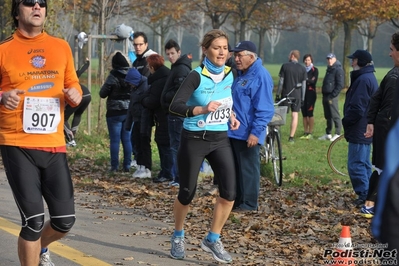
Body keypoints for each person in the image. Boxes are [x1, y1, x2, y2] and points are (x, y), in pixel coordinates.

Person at [0, 0, 83, 265]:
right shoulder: (3, 49)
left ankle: (41, 249)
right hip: (17, 143)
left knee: (64, 221)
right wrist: (2, 97)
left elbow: (73, 84)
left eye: (42, 3)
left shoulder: (61, 47)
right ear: (16, 11)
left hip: (53, 143)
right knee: (33, 221)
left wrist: (75, 94)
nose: (37, 7)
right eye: (28, 2)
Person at [168, 29, 240, 264]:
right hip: (194, 139)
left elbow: (225, 99)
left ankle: (212, 238)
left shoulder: (230, 73)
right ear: (206, 50)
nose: (222, 52)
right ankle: (178, 235)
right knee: (187, 193)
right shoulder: (195, 76)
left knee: (229, 193)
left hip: (219, 139)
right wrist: (200, 109)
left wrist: (230, 114)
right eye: (217, 47)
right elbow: (175, 105)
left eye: (225, 48)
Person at [228, 41, 274, 212]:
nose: (236, 58)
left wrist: (256, 132)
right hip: (234, 131)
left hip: (248, 132)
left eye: (240, 55)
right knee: (238, 169)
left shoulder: (260, 76)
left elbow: (264, 108)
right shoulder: (241, 74)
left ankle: (249, 203)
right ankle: (239, 201)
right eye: (235, 55)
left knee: (248, 169)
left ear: (251, 56)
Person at [362, 33, 399, 214]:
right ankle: (372, 203)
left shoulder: (393, 76)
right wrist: (372, 122)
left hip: (386, 131)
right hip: (387, 131)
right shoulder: (393, 77)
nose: (390, 54)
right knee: (383, 166)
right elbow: (383, 106)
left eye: (392, 50)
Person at [342, 50, 378, 210]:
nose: (352, 62)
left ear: (361, 62)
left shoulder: (363, 80)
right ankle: (371, 195)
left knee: (356, 164)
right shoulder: (367, 77)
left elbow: (357, 107)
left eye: (354, 60)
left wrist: (346, 121)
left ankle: (365, 195)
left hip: (360, 128)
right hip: (364, 127)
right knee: (364, 163)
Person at [161, 39, 192, 187]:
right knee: (177, 146)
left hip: (176, 114)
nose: (170, 56)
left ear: (179, 52)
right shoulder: (177, 67)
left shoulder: (180, 69)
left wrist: (166, 97)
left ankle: (179, 178)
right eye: (168, 54)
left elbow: (180, 91)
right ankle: (179, 177)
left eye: (172, 53)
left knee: (176, 147)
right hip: (173, 113)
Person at [142, 54, 173, 183]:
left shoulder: (159, 81)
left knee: (164, 144)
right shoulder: (167, 76)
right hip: (166, 116)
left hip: (163, 117)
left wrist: (144, 99)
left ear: (152, 67)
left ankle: (167, 172)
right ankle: (167, 171)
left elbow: (152, 101)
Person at [99, 51, 132, 172]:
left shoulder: (112, 76)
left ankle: (114, 166)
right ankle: (127, 165)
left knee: (115, 140)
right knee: (127, 139)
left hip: (114, 113)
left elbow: (102, 94)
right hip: (128, 112)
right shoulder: (131, 75)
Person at [125, 68, 152, 178]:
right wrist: (128, 123)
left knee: (144, 144)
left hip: (144, 120)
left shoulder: (145, 86)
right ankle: (140, 165)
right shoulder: (135, 88)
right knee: (137, 143)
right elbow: (132, 106)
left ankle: (147, 168)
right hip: (137, 120)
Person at [276, 50, 307, 143]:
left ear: (292, 56)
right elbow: (304, 85)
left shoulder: (285, 66)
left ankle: (277, 134)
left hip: (286, 94)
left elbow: (281, 82)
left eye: (289, 55)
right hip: (297, 95)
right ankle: (291, 137)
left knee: (280, 115)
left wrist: (278, 94)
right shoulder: (302, 68)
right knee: (295, 114)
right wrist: (302, 98)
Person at [64, 58, 92, 147]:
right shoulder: (73, 75)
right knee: (78, 115)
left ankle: (71, 140)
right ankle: (73, 135)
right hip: (87, 95)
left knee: (63, 118)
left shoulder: (64, 77)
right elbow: (81, 70)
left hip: (79, 95)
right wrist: (87, 63)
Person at [318, 53, 344, 141]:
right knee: (327, 115)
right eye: (328, 59)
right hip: (326, 95)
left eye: (331, 59)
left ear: (335, 59)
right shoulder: (329, 69)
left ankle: (337, 133)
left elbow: (340, 84)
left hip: (332, 96)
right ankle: (328, 133)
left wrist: (333, 95)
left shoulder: (338, 69)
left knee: (335, 114)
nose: (329, 60)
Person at [299, 54, 318, 139]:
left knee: (310, 113)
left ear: (311, 61)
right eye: (306, 60)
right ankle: (305, 131)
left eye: (309, 60)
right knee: (304, 113)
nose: (307, 62)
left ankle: (310, 132)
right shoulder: (301, 70)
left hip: (311, 93)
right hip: (302, 93)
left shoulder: (315, 70)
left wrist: (305, 80)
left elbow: (313, 81)